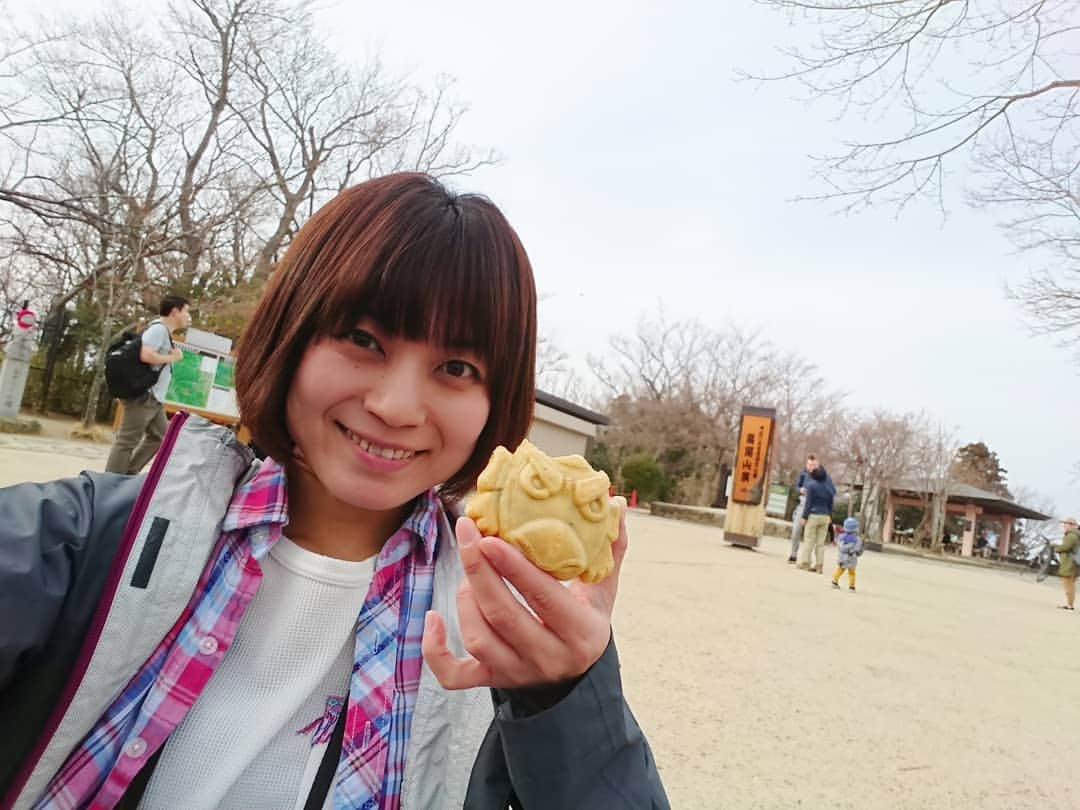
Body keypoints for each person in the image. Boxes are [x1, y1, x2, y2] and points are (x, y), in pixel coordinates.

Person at [0, 174, 668, 810]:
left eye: (456, 368)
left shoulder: (508, 630)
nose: (396, 405)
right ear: (292, 333)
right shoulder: (79, 541)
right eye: (361, 339)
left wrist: (568, 697)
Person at [104, 295, 191, 475]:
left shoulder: (163, 331)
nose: (188, 317)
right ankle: (110, 481)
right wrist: (172, 357)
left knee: (160, 437)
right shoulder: (158, 330)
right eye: (186, 311)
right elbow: (146, 355)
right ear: (175, 311)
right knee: (127, 441)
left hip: (153, 398)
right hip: (144, 396)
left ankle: (128, 473)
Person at [797, 463, 836, 573]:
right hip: (825, 517)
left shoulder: (811, 486)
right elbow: (831, 504)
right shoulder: (829, 489)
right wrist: (830, 517)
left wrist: (804, 517)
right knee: (820, 543)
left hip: (813, 515)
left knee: (809, 540)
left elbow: (808, 503)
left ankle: (805, 563)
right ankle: (819, 566)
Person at [787, 454, 817, 563]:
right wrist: (800, 490)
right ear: (806, 464)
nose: (811, 467)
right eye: (809, 464)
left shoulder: (820, 476)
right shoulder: (803, 474)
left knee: (810, 534)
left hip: (814, 505)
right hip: (803, 502)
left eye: (813, 465)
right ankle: (793, 553)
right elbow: (795, 487)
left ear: (817, 465)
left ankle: (807, 559)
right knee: (796, 530)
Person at [1053, 518, 1080, 611]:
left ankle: (1069, 605)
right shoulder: (1076, 535)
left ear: (1073, 525)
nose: (1064, 525)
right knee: (1070, 584)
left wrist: (1055, 547)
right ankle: (1069, 604)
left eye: (1066, 524)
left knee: (1068, 584)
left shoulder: (1071, 536)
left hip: (1069, 563)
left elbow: (1066, 547)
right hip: (1074, 563)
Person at [831, 517, 864, 592]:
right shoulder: (857, 539)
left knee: (840, 569)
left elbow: (838, 545)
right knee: (851, 572)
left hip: (842, 557)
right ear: (855, 528)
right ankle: (851, 587)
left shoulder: (840, 537)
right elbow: (858, 549)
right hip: (851, 558)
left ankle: (834, 582)